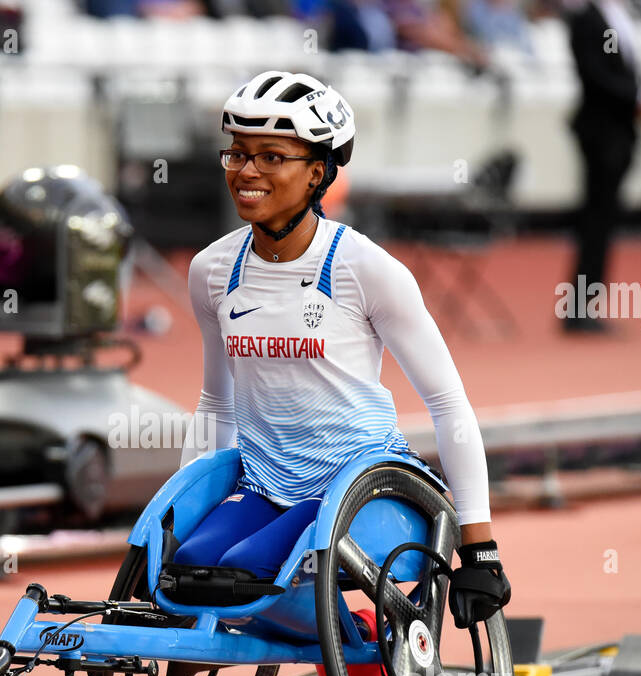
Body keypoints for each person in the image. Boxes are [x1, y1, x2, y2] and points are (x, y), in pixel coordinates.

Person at [175, 70, 510, 636]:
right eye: (237, 154)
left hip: (358, 486)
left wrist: (479, 547)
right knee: (182, 571)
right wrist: (177, 512)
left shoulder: (367, 269)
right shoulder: (211, 270)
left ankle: (360, 642)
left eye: (270, 157)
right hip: (265, 486)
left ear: (317, 172)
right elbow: (216, 403)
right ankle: (338, 632)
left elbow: (448, 403)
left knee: (242, 574)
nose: (246, 172)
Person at [563, 0, 641, 334]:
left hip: (620, 133)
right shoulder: (586, 19)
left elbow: (623, 69)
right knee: (596, 220)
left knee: (603, 219)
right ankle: (578, 310)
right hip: (600, 134)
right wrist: (638, 99)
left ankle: (585, 306)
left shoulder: (623, 17)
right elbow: (593, 75)